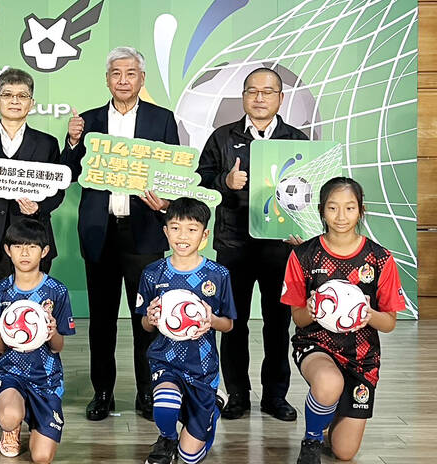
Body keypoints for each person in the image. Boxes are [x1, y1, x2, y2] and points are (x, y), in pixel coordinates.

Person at [60, 46, 179, 421]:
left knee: (148, 317)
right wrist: (73, 143)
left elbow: (174, 173)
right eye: (116, 73)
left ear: (142, 79)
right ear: (107, 79)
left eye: (130, 73)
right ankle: (103, 393)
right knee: (102, 320)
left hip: (143, 232)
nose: (123, 80)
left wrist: (165, 200)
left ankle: (147, 392)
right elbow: (70, 174)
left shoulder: (162, 119)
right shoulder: (89, 121)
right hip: (101, 231)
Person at [196, 66, 308, 421]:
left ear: (280, 98)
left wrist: (303, 230)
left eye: (267, 91)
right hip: (234, 244)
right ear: (243, 97)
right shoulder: (222, 137)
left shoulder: (297, 140)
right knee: (233, 322)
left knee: (278, 324)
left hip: (280, 247)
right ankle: (237, 395)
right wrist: (225, 181)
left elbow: (310, 191)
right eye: (252, 91)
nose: (259, 98)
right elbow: (200, 181)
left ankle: (275, 396)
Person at [0, 68, 65, 415]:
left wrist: (40, 206)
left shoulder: (46, 143)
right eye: (8, 95)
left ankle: (36, 383)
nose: (15, 101)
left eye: (22, 96)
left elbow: (58, 191)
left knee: (34, 313)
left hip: (32, 241)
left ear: (31, 103)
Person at [281, 177, 405, 464]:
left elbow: (389, 323)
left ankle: (329, 408)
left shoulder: (380, 258)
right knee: (328, 382)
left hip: (361, 357)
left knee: (344, 452)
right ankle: (312, 439)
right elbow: (298, 319)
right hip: (316, 345)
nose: (341, 216)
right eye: (333, 207)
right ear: (322, 210)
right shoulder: (304, 255)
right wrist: (312, 310)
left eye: (349, 208)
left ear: (361, 211)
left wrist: (369, 314)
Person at [136, 198, 236, 464]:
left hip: (201, 366)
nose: (182, 236)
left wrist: (211, 320)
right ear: (165, 231)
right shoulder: (152, 273)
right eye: (175, 228)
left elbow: (228, 324)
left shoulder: (218, 274)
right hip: (165, 359)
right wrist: (151, 318)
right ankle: (167, 437)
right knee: (165, 402)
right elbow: (145, 324)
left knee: (190, 457)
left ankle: (212, 406)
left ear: (204, 235)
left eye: (192, 229)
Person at [0, 219, 75, 464]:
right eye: (18, 246)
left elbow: (58, 347)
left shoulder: (57, 291)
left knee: (42, 457)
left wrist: (52, 332)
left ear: (44, 251)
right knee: (9, 416)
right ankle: (11, 427)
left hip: (46, 378)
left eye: (32, 246)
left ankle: (37, 421)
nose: (24, 253)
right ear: (7, 250)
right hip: (12, 373)